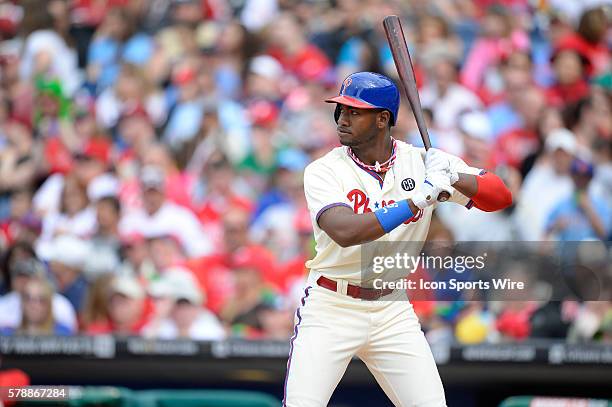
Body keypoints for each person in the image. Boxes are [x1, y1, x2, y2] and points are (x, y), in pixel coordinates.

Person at [283, 72, 512, 406]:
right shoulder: (324, 170)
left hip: (391, 307)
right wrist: (415, 201)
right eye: (341, 110)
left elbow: (500, 197)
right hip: (332, 304)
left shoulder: (422, 162)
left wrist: (452, 175)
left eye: (354, 111)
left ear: (382, 119)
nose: (342, 119)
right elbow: (347, 232)